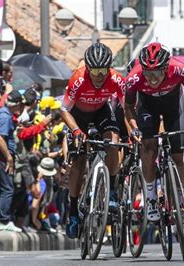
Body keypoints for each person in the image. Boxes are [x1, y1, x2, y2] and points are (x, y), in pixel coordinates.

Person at [124, 42, 184, 226]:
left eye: (157, 73)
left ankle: (181, 202)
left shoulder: (179, 70)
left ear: (166, 68)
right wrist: (134, 128)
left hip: (173, 108)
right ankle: (150, 196)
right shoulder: (134, 77)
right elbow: (128, 106)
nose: (152, 78)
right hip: (147, 108)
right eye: (148, 73)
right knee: (149, 148)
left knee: (177, 157)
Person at [61, 43, 125, 239]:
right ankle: (73, 211)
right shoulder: (78, 79)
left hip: (101, 112)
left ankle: (111, 191)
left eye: (103, 70)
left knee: (113, 142)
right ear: (88, 68)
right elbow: (63, 110)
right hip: (77, 116)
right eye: (95, 71)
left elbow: (128, 107)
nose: (99, 75)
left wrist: (134, 130)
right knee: (79, 163)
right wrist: (77, 131)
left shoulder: (116, 79)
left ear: (109, 68)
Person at [0, 90, 25, 232]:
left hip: (2, 155)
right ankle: (4, 220)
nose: (21, 108)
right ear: (15, 104)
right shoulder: (5, 117)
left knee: (1, 187)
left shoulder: (3, 114)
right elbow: (0, 139)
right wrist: (9, 158)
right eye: (20, 105)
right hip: (3, 156)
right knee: (7, 188)